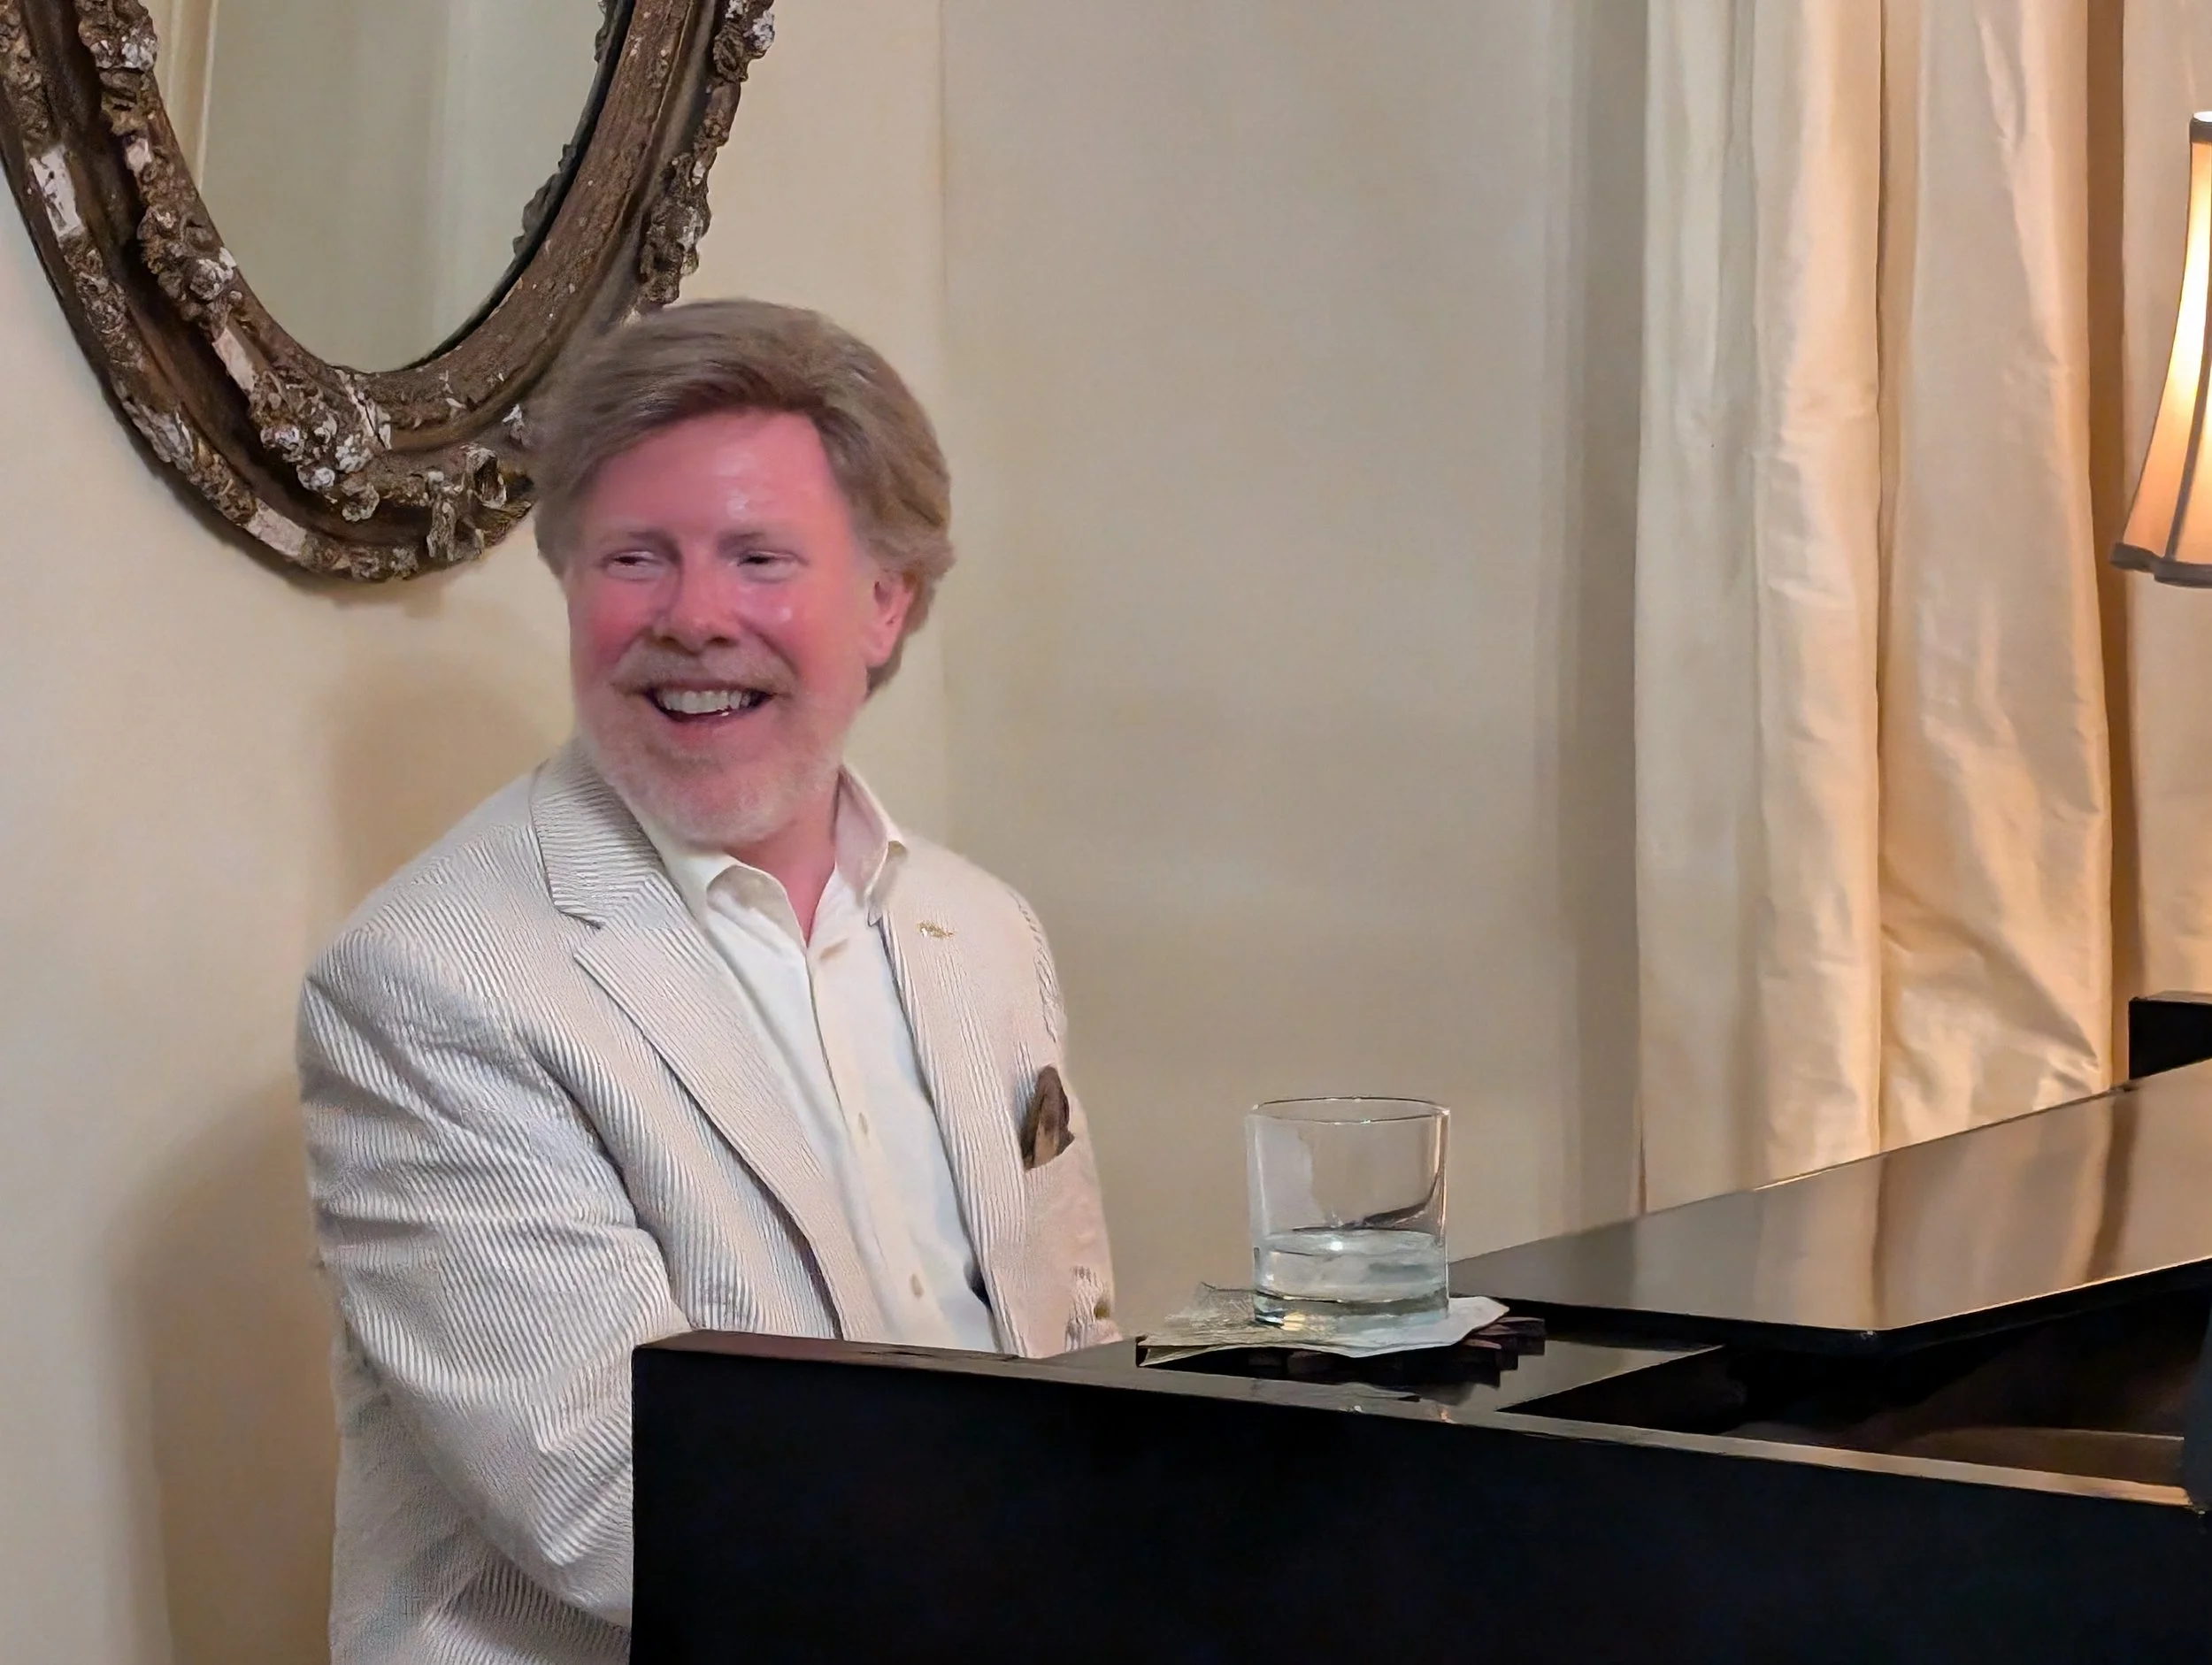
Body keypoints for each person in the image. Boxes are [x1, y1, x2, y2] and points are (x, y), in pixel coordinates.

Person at [297, 299, 1118, 1665]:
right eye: (635, 557)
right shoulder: (429, 985)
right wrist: (1142, 1532)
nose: (692, 618)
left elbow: (1067, 1342)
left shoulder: (985, 931)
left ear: (885, 599)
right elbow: (627, 1505)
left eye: (759, 556)